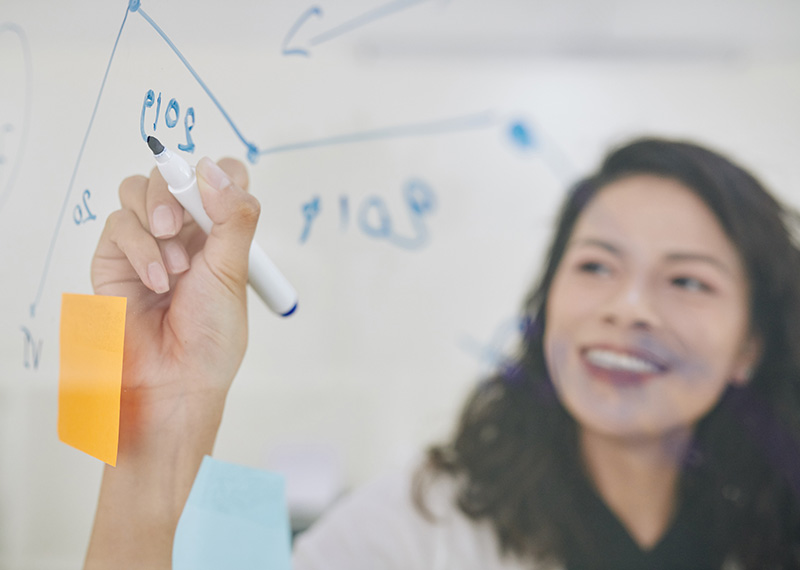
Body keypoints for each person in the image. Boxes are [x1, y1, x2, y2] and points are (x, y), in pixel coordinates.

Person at [83, 138, 800, 570]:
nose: (630, 307)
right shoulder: (413, 529)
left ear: (751, 348)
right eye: (595, 266)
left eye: (686, 280)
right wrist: (162, 415)